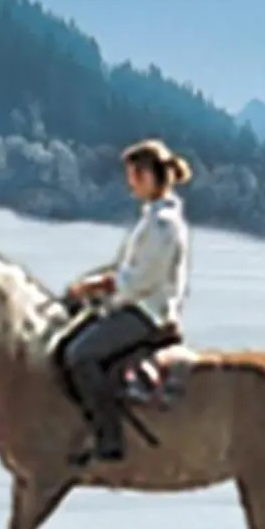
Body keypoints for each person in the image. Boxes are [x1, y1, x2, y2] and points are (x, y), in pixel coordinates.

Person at [60, 138, 193, 465]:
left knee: (81, 355)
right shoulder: (153, 220)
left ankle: (109, 438)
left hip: (147, 312)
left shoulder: (162, 226)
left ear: (148, 175)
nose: (129, 183)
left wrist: (98, 286)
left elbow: (136, 283)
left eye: (133, 175)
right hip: (134, 304)